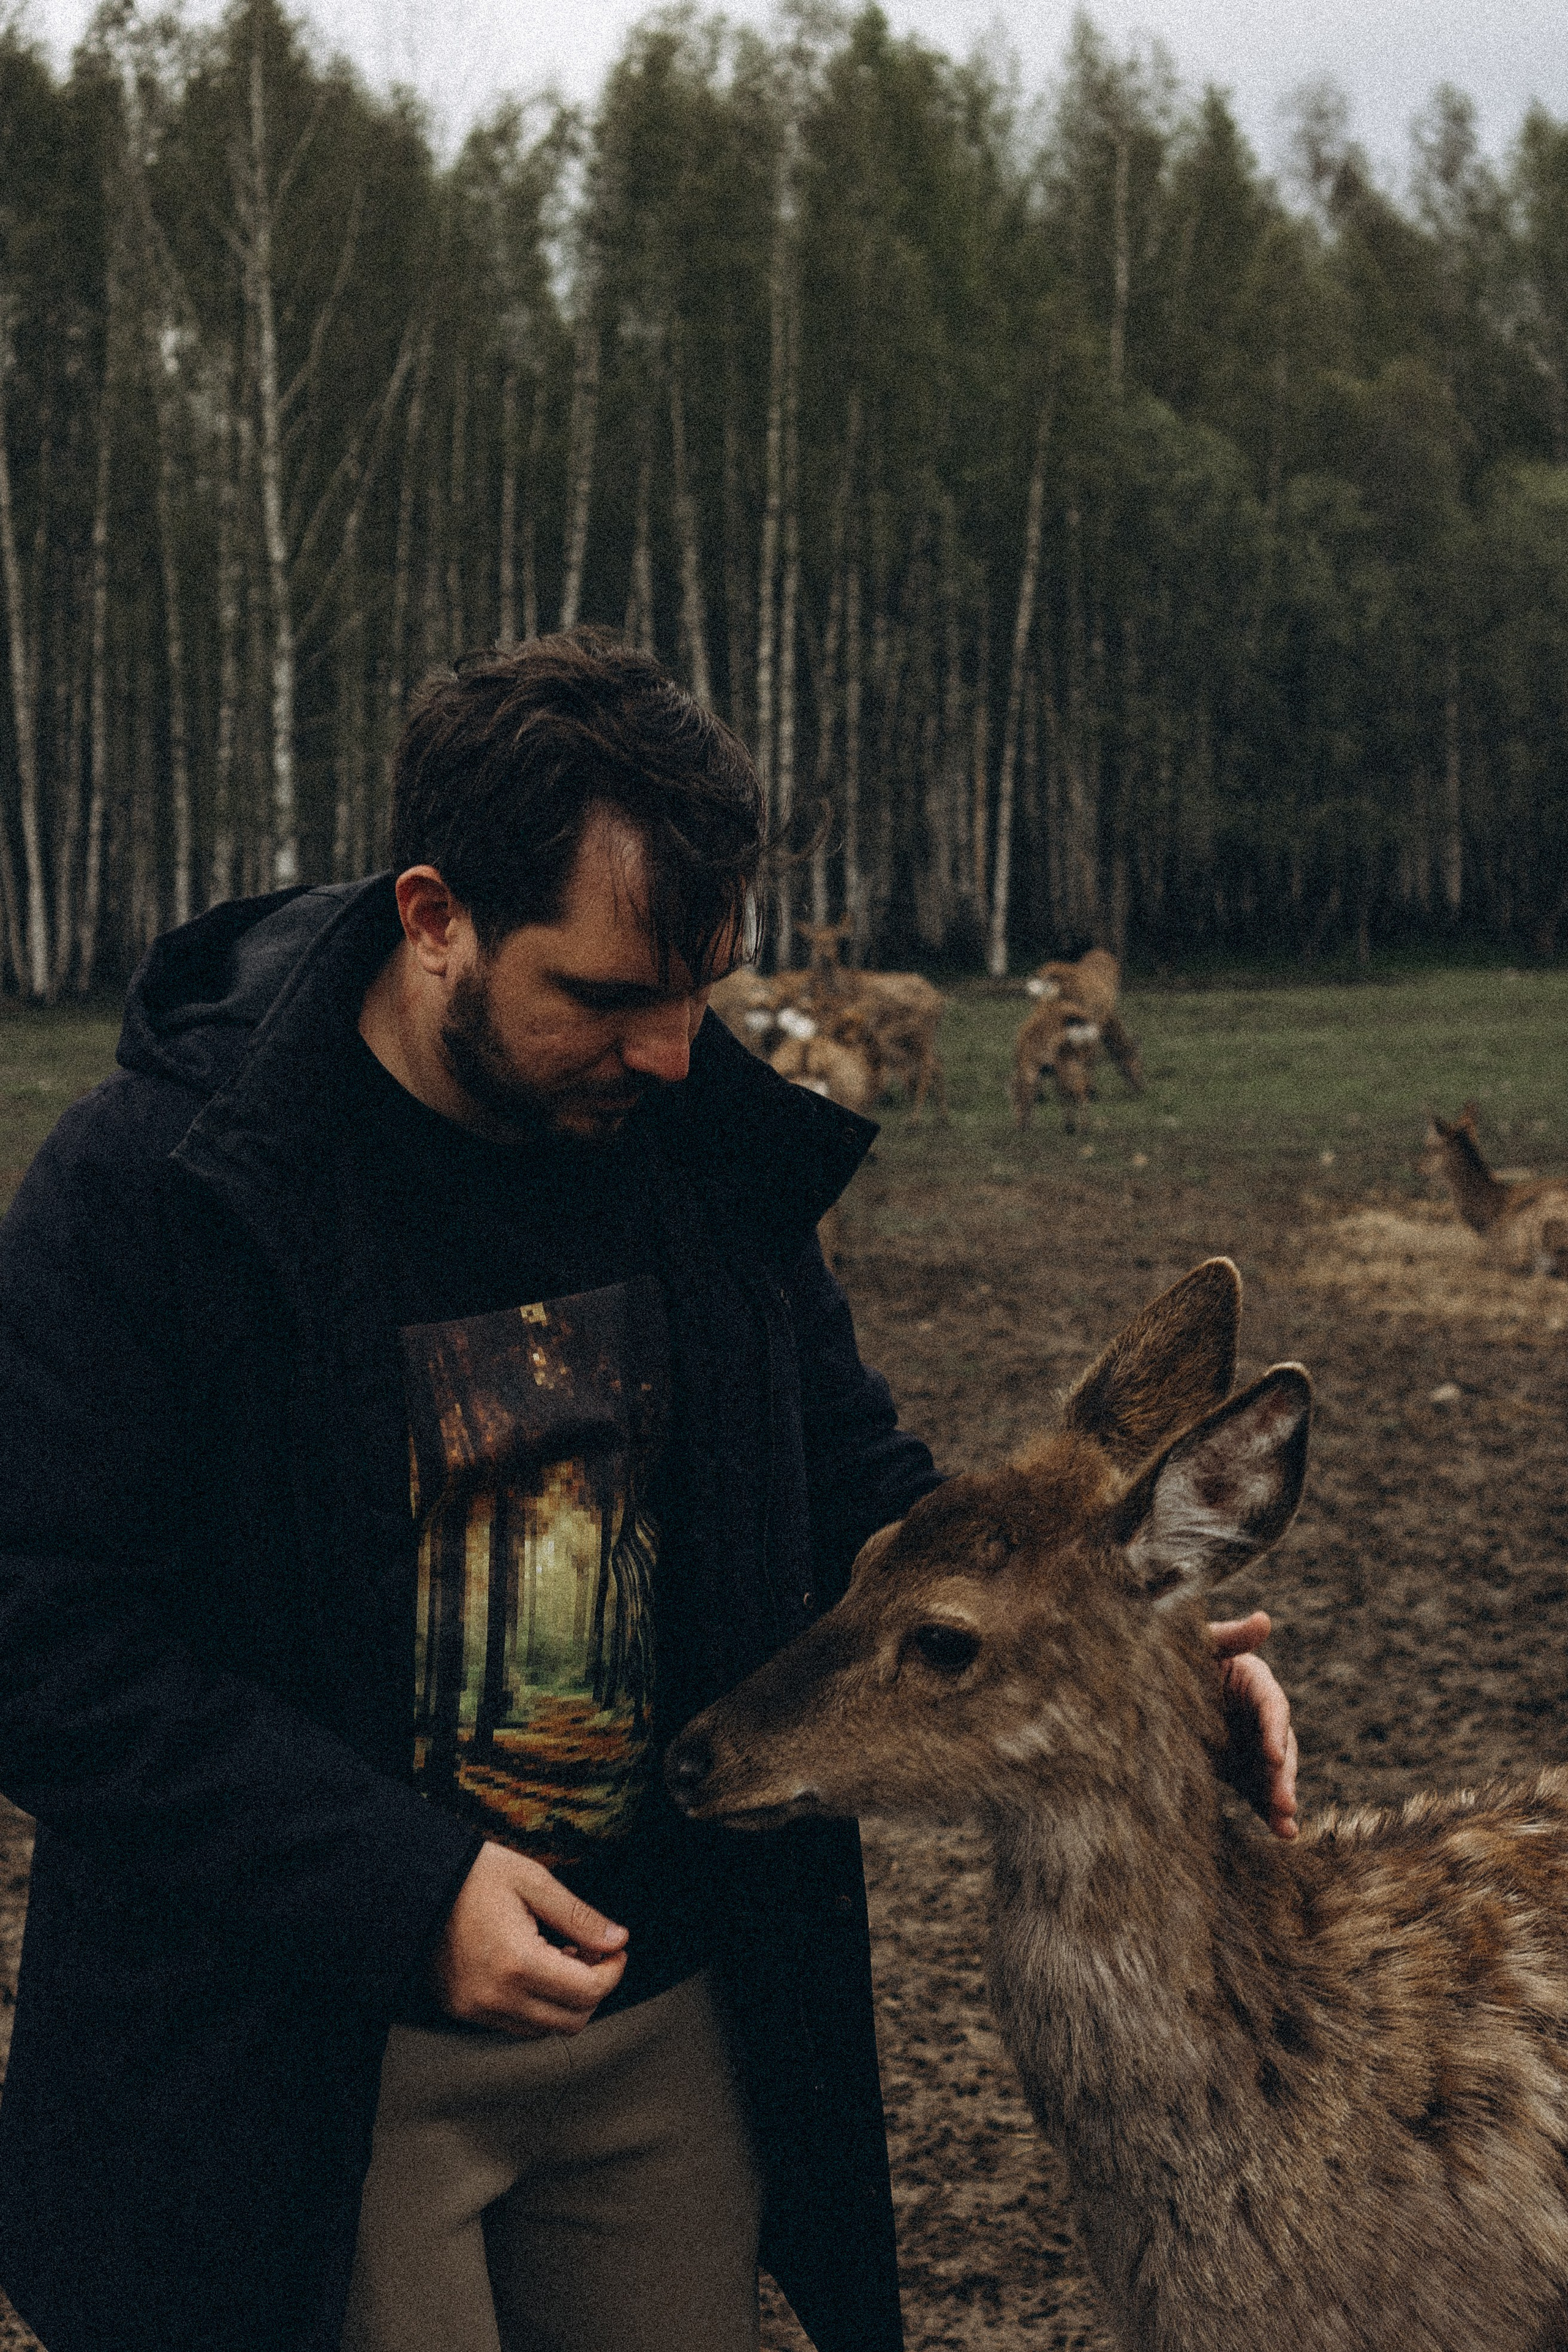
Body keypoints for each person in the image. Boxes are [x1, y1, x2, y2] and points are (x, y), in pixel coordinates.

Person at [0, 628, 1296, 2352]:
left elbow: (852, 1485)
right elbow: (45, 1637)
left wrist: (1115, 1666)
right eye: (609, 999)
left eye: (702, 988)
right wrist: (393, 1891)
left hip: (666, 2024)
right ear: (435, 915)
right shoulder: (163, 1192)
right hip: (310, 2060)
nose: (676, 1052)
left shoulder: (694, 1149)